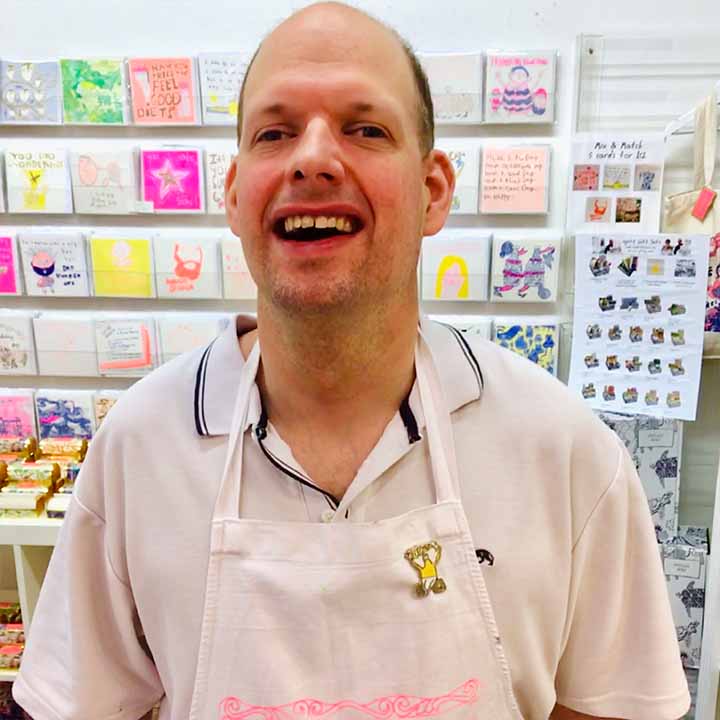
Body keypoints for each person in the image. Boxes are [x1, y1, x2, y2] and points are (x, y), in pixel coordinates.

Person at [14, 4, 689, 720]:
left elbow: (612, 706)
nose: (311, 157)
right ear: (236, 195)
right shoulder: (141, 448)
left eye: (365, 128)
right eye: (275, 132)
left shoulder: (563, 450)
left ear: (433, 190)